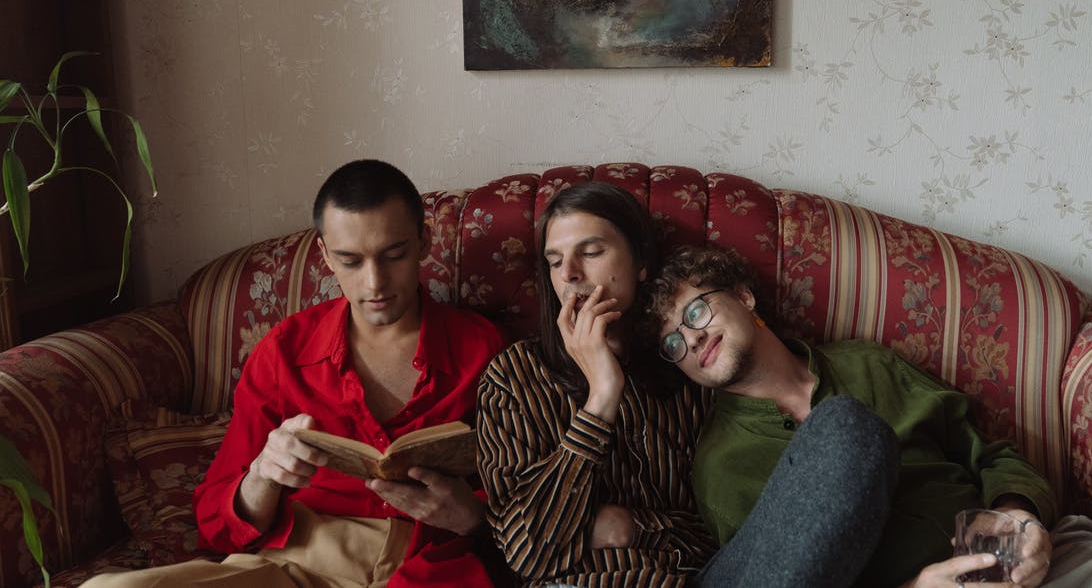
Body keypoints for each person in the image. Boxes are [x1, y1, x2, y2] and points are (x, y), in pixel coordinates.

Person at [645, 244, 1092, 588]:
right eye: (673, 344)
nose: (691, 339)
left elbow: (988, 451)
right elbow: (785, 577)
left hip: (1020, 560)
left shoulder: (867, 364)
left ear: (743, 296)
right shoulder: (720, 466)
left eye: (697, 310)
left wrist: (1018, 517)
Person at [83, 159, 507, 588]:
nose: (374, 282)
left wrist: (471, 517)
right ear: (324, 255)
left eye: (393, 255)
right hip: (297, 563)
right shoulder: (284, 351)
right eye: (350, 261)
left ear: (423, 242)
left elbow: (535, 508)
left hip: (428, 567)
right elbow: (217, 522)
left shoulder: (484, 350)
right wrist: (264, 473)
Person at [475, 182, 900, 588]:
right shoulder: (514, 378)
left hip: (705, 579)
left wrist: (632, 525)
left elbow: (748, 521)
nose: (569, 273)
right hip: (577, 584)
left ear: (640, 262)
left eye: (591, 251)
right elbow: (527, 553)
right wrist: (601, 397)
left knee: (842, 426)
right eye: (554, 261)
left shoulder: (692, 365)